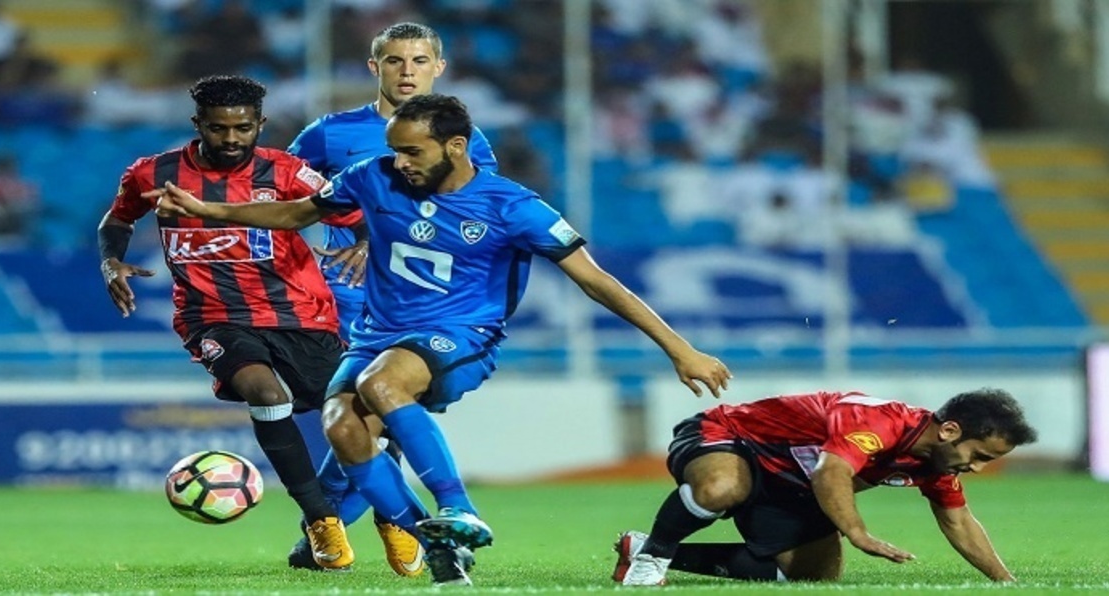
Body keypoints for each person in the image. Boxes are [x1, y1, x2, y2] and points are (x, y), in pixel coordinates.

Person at [150, 93, 733, 586]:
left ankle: (458, 508)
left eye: (412, 151)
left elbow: (596, 280)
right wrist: (208, 208)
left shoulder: (513, 206)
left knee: (382, 386)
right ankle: (433, 543)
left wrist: (679, 348)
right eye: (395, 149)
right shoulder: (372, 177)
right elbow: (299, 213)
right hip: (376, 333)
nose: (399, 162)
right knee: (341, 425)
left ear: (455, 147)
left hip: (462, 334)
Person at [96, 75, 365, 572]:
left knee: (359, 416)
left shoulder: (287, 171)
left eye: (243, 128)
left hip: (299, 314)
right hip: (211, 316)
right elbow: (117, 220)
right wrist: (112, 261)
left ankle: (394, 517)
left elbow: (351, 212)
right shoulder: (153, 173)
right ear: (198, 124)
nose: (232, 139)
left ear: (259, 123)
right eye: (219, 129)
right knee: (266, 394)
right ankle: (321, 520)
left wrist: (364, 242)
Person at [283, 22, 499, 578]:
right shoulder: (328, 135)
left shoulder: (466, 142)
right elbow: (284, 202)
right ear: (374, 67)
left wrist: (375, 238)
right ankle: (359, 526)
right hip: (345, 303)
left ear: (439, 68)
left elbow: (470, 216)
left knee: (372, 420)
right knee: (354, 420)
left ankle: (329, 525)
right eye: (397, 61)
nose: (408, 71)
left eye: (420, 61)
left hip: (423, 307)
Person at [611, 388, 1038, 586]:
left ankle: (645, 549)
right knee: (724, 486)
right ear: (949, 430)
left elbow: (958, 519)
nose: (978, 469)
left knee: (813, 573)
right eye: (980, 456)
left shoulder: (936, 463)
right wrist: (857, 533)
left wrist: (1004, 581)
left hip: (788, 483)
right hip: (729, 436)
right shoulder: (880, 421)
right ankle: (654, 559)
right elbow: (831, 473)